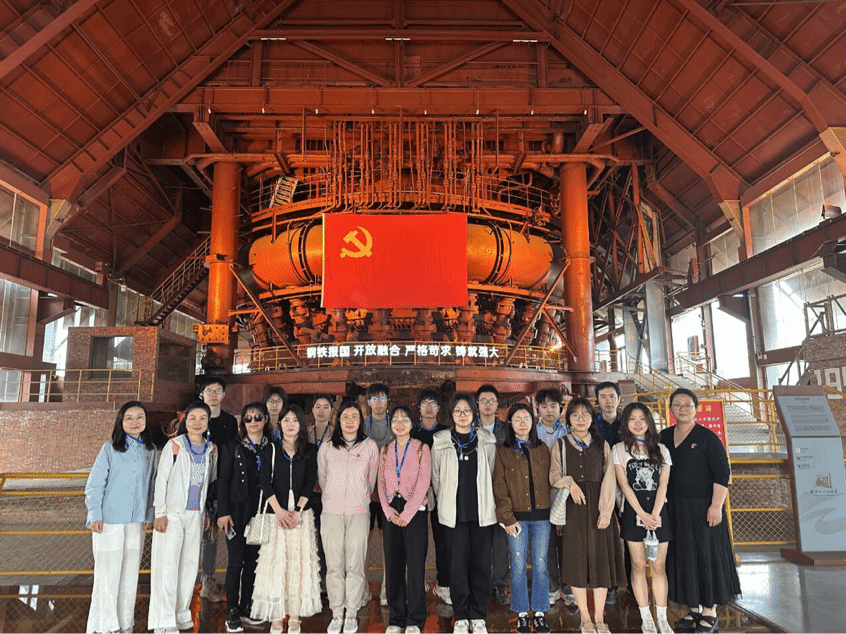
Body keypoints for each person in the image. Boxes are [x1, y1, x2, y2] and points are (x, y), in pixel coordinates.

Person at [659, 388, 740, 634]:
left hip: (704, 507)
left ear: (696, 409)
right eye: (677, 404)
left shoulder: (707, 437)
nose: (682, 408)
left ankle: (709, 610)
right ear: (671, 409)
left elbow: (722, 473)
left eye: (687, 404)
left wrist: (716, 506)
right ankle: (693, 607)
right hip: (674, 507)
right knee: (683, 556)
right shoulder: (664, 436)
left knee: (706, 556)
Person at [549, 398, 625, 634]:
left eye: (585, 415)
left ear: (592, 419)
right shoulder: (561, 444)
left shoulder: (602, 445)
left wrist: (606, 512)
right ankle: (585, 619)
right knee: (577, 564)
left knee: (601, 563)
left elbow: (609, 480)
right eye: (575, 415)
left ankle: (600, 618)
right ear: (568, 419)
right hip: (573, 510)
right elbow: (553, 476)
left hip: (599, 509)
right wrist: (569, 483)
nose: (580, 419)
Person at [85, 401, 157, 634]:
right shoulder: (110, 449)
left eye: (140, 417)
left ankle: (125, 622)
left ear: (146, 421)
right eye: (129, 418)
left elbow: (152, 485)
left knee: (129, 574)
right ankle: (106, 624)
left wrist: (149, 514)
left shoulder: (150, 451)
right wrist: (95, 513)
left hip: (136, 521)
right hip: (109, 520)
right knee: (108, 574)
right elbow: (95, 483)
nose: (135, 422)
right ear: (121, 422)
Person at [148, 401, 218, 634]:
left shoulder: (211, 450)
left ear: (208, 422)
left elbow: (208, 484)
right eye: (192, 418)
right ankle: (164, 620)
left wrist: (206, 512)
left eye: (202, 418)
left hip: (195, 515)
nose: (197, 423)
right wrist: (160, 512)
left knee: (189, 565)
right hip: (173, 513)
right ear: (185, 421)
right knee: (168, 565)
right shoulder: (175, 446)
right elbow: (161, 480)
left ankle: (181, 614)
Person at [251, 404, 321, 634]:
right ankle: (277, 614)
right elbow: (264, 481)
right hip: (276, 514)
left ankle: (295, 615)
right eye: (286, 420)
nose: (290, 424)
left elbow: (310, 481)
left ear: (302, 424)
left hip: (302, 514)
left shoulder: (310, 450)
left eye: (295, 420)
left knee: (298, 563)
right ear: (279, 423)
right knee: (276, 563)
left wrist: (298, 511)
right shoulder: (269, 450)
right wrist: (279, 511)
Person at [431, 393, 497, 634]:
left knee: (481, 566)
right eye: (458, 411)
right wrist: (445, 500)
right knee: (457, 567)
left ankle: (478, 615)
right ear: (451, 414)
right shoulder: (441, 441)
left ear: (473, 413)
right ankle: (460, 616)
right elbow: (436, 478)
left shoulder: (486, 440)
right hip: (453, 515)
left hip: (482, 514)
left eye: (466, 411)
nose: (462, 415)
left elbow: (491, 472)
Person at [318, 401, 380, 634]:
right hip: (331, 513)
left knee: (355, 565)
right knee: (334, 566)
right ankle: (337, 613)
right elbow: (323, 479)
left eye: (355, 416)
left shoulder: (370, 447)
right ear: (338, 420)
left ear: (361, 421)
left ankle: (352, 612)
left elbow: (371, 481)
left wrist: (360, 496)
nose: (350, 421)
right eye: (345, 416)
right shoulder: (327, 448)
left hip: (358, 512)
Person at [613, 402, 673, 634]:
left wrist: (654, 515)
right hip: (633, 512)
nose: (637, 423)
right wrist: (641, 514)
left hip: (659, 513)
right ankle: (645, 616)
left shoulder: (662, 450)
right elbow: (624, 485)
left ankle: (662, 617)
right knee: (638, 565)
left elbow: (663, 484)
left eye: (642, 418)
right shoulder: (619, 450)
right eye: (632, 419)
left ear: (649, 422)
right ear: (625, 423)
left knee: (659, 566)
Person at [493, 403, 552, 634]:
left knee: (540, 564)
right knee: (517, 566)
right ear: (510, 423)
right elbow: (499, 487)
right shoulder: (503, 451)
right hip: (516, 519)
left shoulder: (542, 448)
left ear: (533, 421)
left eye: (526, 418)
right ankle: (521, 613)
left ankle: (539, 612)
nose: (522, 423)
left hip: (542, 517)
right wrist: (507, 518)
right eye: (517, 419)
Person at [217, 402, 273, 633]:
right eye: (248, 418)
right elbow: (223, 480)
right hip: (236, 512)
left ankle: (246, 606)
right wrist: (223, 512)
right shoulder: (233, 447)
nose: (253, 421)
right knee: (236, 562)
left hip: (261, 512)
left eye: (258, 417)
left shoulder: (272, 447)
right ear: (243, 422)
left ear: (266, 419)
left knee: (253, 562)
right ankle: (232, 609)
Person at [377, 405, 432, 634]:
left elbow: (424, 482)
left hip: (415, 510)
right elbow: (380, 483)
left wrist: (408, 513)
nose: (400, 424)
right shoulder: (386, 450)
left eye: (405, 420)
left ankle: (415, 619)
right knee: (393, 565)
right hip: (391, 509)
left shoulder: (421, 448)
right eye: (396, 420)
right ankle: (396, 618)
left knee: (416, 566)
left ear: (412, 423)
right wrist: (389, 512)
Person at [198, 377, 238, 603]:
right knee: (205, 534)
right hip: (197, 482)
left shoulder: (230, 422)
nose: (213, 394)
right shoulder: (195, 417)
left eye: (217, 390)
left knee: (216, 533)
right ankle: (204, 580)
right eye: (209, 390)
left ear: (223, 394)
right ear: (202, 394)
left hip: (222, 482)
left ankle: (216, 580)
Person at [412, 387, 452, 606]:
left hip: (442, 491)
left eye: (433, 403)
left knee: (442, 539)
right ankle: (418, 582)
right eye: (425, 403)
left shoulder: (446, 433)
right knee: (417, 540)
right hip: (415, 493)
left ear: (439, 408)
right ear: (419, 408)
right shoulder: (412, 433)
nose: (429, 407)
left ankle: (443, 583)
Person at [534, 387, 573, 606]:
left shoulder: (569, 432)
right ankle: (551, 586)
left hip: (565, 493)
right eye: (544, 406)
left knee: (568, 542)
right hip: (540, 494)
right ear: (537, 409)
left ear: (561, 408)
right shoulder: (531, 433)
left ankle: (569, 586)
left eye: (553, 405)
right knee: (545, 543)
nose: (549, 410)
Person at [475, 384, 509, 606]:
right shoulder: (468, 427)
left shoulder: (506, 429)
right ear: (477, 404)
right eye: (483, 401)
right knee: (480, 541)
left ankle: (500, 584)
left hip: (502, 491)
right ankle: (482, 583)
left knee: (500, 541)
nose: (488, 405)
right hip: (477, 491)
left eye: (492, 401)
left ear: (497, 405)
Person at [594, 380, 624, 605]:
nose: (608, 401)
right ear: (597, 400)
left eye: (612, 396)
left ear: (619, 399)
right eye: (603, 396)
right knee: (605, 537)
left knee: (630, 535)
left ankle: (630, 583)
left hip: (626, 487)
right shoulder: (592, 425)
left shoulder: (628, 422)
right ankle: (609, 584)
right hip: (600, 486)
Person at [364, 382, 394, 606]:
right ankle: (363, 586)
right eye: (374, 399)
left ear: (388, 401)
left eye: (382, 398)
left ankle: (386, 587)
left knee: (388, 541)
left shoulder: (396, 423)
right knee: (363, 541)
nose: (378, 403)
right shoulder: (362, 425)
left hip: (389, 490)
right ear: (368, 402)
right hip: (364, 491)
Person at [308, 393, 335, 596]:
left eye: (326, 407)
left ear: (331, 411)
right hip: (308, 493)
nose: (321, 411)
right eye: (318, 406)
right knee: (310, 538)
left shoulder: (336, 433)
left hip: (330, 492)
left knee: (327, 539)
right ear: (312, 410)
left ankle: (326, 583)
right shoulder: (305, 433)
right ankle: (311, 581)